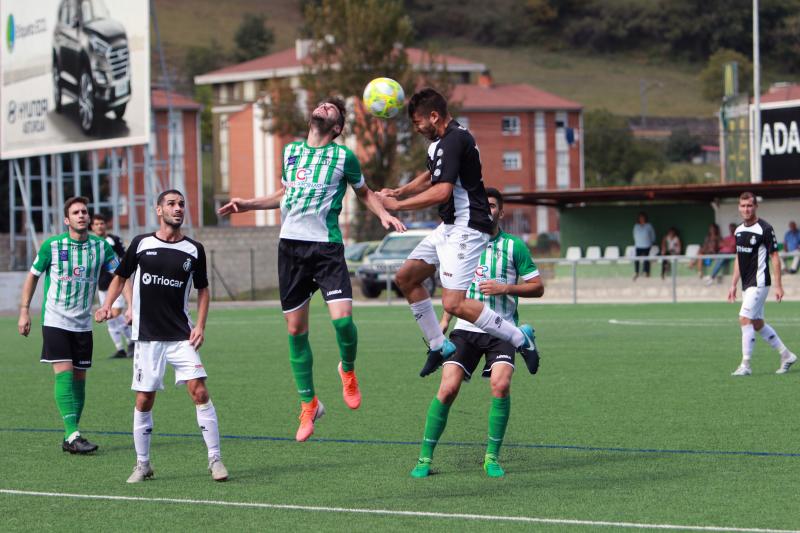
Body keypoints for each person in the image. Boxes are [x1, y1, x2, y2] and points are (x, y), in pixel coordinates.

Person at [217, 97, 406, 442]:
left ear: (337, 128)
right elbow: (286, 195)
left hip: (327, 248)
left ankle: (347, 370)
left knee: (343, 320)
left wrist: (383, 215)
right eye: (321, 105)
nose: (323, 107)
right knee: (295, 330)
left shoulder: (343, 157)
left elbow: (364, 193)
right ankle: (309, 403)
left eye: (331, 109)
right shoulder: (291, 151)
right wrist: (248, 204)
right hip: (290, 249)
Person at [379, 88, 539, 378]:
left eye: (417, 122)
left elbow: (442, 191)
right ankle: (439, 345)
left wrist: (398, 205)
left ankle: (519, 338)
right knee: (406, 278)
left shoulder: (455, 139)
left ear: (434, 116)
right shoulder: (441, 144)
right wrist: (400, 190)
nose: (416, 128)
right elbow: (432, 175)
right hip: (449, 228)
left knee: (454, 303)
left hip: (468, 228)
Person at [409, 188, 544, 479]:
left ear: (501, 212)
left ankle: (491, 457)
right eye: (484, 206)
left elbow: (538, 287)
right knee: (447, 389)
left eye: (493, 206)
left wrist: (505, 287)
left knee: (501, 385)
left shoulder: (514, 247)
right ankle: (424, 459)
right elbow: (453, 291)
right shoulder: (463, 244)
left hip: (501, 330)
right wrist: (443, 323)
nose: (488, 210)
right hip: (466, 330)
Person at [96, 190, 228, 483]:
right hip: (147, 337)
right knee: (144, 400)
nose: (178, 208)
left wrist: (201, 325)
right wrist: (107, 306)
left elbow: (204, 289)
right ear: (159, 210)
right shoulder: (141, 243)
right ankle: (143, 464)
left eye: (182, 204)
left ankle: (215, 459)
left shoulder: (194, 249)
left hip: (181, 335)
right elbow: (121, 276)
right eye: (171, 204)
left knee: (200, 392)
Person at [17, 196, 119, 454]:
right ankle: (72, 434)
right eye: (76, 212)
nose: (82, 215)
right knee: (64, 374)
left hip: (83, 323)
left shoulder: (101, 247)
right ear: (67, 219)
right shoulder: (52, 245)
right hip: (55, 320)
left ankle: (70, 434)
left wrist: (115, 304)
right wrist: (24, 311)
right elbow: (33, 276)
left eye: (84, 211)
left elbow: (122, 274)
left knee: (79, 379)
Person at [727, 192, 796, 376]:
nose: (746, 209)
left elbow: (775, 257)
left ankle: (746, 365)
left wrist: (779, 285)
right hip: (746, 284)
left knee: (744, 318)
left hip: (760, 282)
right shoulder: (739, 230)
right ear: (739, 207)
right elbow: (738, 258)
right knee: (757, 323)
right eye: (743, 206)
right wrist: (733, 284)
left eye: (749, 205)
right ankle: (786, 355)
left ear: (755, 206)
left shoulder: (765, 228)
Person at [90, 213, 133, 358]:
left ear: (105, 225)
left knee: (114, 314)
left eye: (101, 223)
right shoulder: (90, 243)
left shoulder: (114, 240)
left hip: (117, 284)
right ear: (92, 227)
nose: (99, 226)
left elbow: (125, 258)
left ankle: (132, 341)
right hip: (102, 285)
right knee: (109, 317)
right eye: (96, 224)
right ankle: (121, 348)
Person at [632, 212, 656, 280]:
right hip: (638, 245)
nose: (641, 219)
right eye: (640, 218)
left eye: (643, 217)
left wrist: (652, 242)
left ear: (645, 218)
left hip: (647, 245)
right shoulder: (636, 226)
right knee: (636, 259)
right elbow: (634, 235)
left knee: (646, 259)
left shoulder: (649, 226)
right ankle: (636, 272)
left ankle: (646, 272)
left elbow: (653, 234)